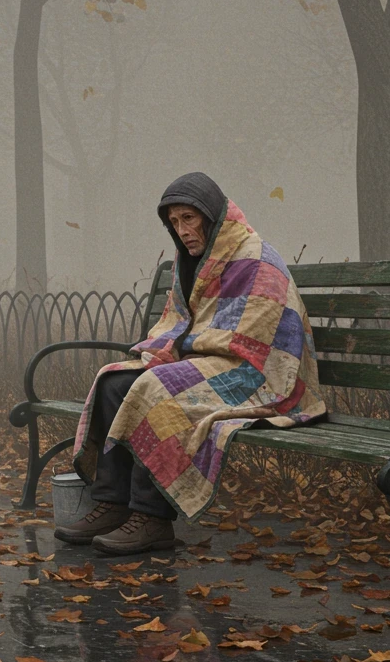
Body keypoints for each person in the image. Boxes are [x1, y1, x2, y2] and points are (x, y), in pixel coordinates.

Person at [55, 172, 327, 556]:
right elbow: (179, 322)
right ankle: (113, 504)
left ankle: (152, 518)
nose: (182, 230)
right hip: (210, 360)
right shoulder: (193, 262)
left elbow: (262, 336)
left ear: (211, 216)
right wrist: (165, 353)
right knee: (114, 381)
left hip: (257, 373)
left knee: (157, 388)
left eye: (189, 218)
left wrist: (187, 354)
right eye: (174, 222)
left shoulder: (254, 258)